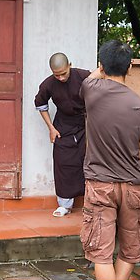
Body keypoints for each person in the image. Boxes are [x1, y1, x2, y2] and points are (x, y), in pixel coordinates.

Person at [78, 40, 140, 280]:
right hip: (133, 185)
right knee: (131, 249)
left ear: (102, 66)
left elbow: (92, 75)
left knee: (101, 253)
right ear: (130, 68)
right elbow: (137, 145)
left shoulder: (91, 90)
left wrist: (101, 67)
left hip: (100, 185)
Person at [34, 53, 90, 217]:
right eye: (56, 74)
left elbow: (100, 93)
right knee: (62, 162)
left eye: (63, 73)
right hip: (63, 125)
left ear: (70, 65)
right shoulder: (48, 84)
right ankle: (65, 204)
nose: (60, 78)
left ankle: (92, 202)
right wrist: (51, 127)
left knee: (89, 161)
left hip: (86, 123)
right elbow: (40, 104)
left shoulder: (84, 76)